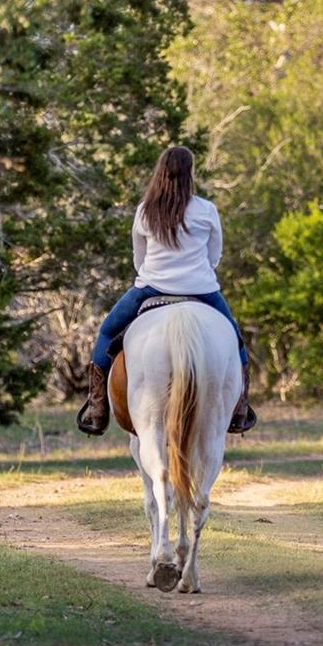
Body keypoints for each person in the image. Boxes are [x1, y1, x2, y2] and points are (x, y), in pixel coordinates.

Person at [77, 146, 255, 436]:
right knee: (235, 338)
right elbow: (214, 256)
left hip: (151, 288)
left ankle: (97, 407)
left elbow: (139, 258)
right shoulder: (206, 209)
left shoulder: (146, 210)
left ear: (160, 170)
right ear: (190, 173)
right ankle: (240, 405)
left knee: (108, 331)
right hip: (202, 290)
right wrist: (195, 273)